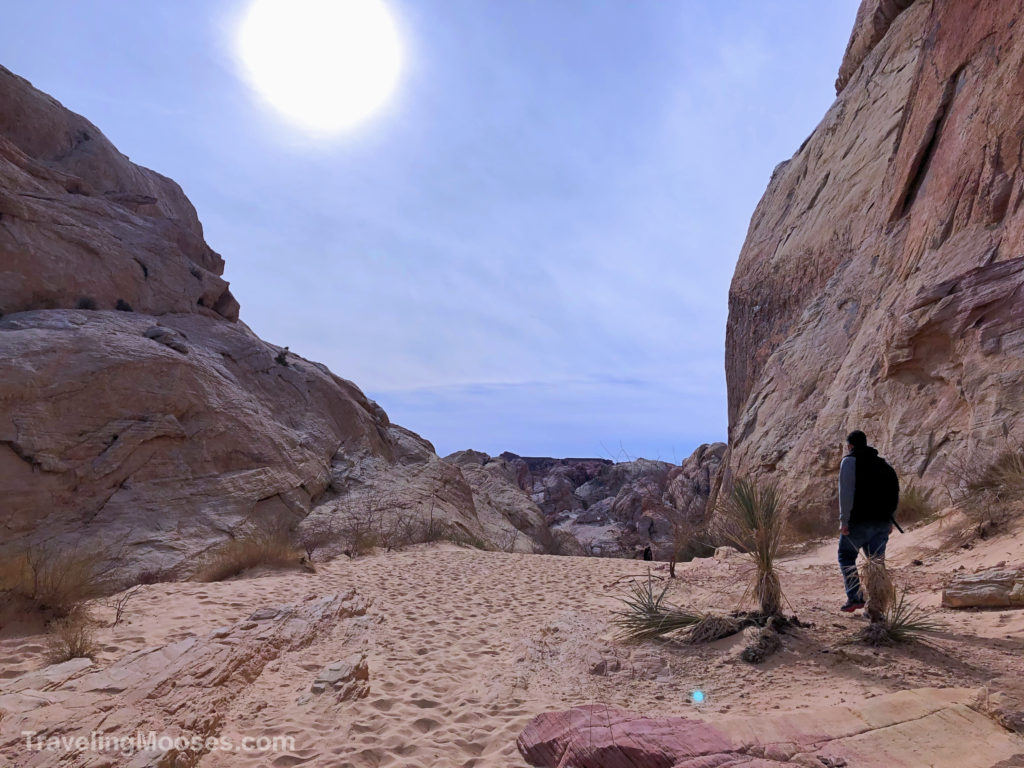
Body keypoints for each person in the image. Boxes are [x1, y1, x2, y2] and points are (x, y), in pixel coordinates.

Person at [837, 430, 895, 613]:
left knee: (846, 556)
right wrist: (890, 518)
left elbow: (845, 494)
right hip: (882, 522)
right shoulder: (883, 463)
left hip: (858, 521)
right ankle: (876, 607)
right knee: (876, 563)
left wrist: (844, 521)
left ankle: (855, 597)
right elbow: (893, 492)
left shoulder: (849, 462)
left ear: (850, 445)